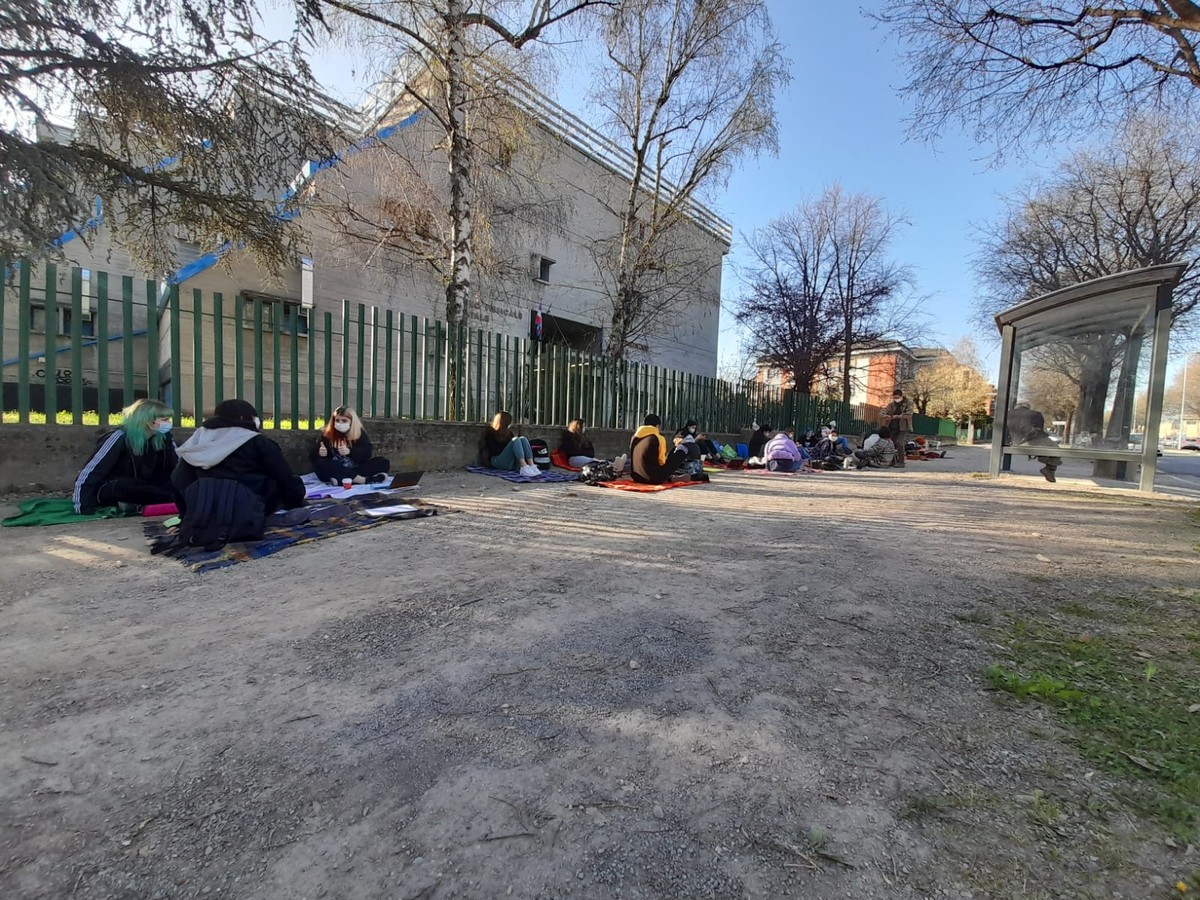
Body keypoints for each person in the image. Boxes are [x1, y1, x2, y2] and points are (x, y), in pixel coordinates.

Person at [172, 399, 306, 517]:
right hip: (250, 509)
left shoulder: (197, 441)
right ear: (245, 417)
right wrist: (298, 498)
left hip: (203, 509)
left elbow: (179, 479)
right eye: (254, 417)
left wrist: (187, 514)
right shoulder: (258, 443)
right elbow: (284, 477)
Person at [73, 398, 178, 514]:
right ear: (150, 422)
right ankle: (164, 500)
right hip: (115, 486)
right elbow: (90, 471)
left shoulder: (164, 438)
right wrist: (82, 505)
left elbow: (176, 467)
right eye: (165, 419)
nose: (168, 423)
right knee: (130, 487)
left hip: (146, 485)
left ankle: (145, 503)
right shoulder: (118, 437)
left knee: (174, 484)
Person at [311, 406, 390, 486]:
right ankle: (362, 480)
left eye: (344, 421)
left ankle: (343, 480)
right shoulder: (327, 434)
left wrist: (350, 451)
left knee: (383, 462)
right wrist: (321, 453)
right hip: (335, 468)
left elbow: (367, 453)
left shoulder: (359, 433)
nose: (340, 423)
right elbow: (313, 457)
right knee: (321, 464)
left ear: (352, 422)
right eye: (337, 420)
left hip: (355, 468)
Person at [1007, 401, 1061, 482]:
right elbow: (1040, 430)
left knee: (1044, 446)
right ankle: (1050, 468)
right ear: (1028, 407)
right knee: (1056, 449)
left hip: (1015, 443)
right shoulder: (1035, 414)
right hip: (1031, 441)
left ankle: (1045, 460)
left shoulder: (1008, 414)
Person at [630, 414, 690, 484]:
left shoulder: (634, 437)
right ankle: (672, 477)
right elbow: (662, 461)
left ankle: (671, 478)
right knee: (680, 453)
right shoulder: (658, 438)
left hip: (636, 477)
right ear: (657, 426)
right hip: (653, 479)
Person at [481, 411, 540, 477]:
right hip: (497, 461)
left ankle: (532, 465)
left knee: (523, 439)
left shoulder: (509, 433)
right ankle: (524, 467)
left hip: (510, 463)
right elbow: (494, 451)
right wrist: (508, 447)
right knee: (516, 440)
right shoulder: (491, 433)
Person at [559, 419, 627, 473]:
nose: (584, 428)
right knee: (594, 461)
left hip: (586, 458)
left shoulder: (584, 437)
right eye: (583, 426)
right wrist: (584, 453)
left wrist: (584, 453)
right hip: (574, 459)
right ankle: (614, 465)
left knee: (595, 461)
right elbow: (572, 452)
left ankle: (614, 464)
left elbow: (591, 451)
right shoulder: (569, 436)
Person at [880, 388, 914, 469]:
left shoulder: (909, 403)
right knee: (891, 443)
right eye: (894, 398)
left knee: (899, 443)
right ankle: (893, 461)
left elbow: (909, 414)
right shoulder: (892, 404)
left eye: (897, 397)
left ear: (901, 396)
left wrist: (897, 416)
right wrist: (884, 415)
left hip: (903, 427)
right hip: (892, 426)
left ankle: (901, 462)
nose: (896, 399)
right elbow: (884, 410)